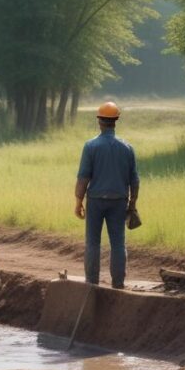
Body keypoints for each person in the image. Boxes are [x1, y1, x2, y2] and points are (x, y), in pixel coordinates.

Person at [74, 102, 140, 289]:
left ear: (99, 122)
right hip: (119, 201)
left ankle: (92, 282)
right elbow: (134, 180)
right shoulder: (127, 148)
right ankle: (118, 283)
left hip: (95, 201)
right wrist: (132, 204)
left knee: (93, 243)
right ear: (115, 121)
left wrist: (78, 202)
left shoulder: (91, 146)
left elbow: (83, 177)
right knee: (118, 243)